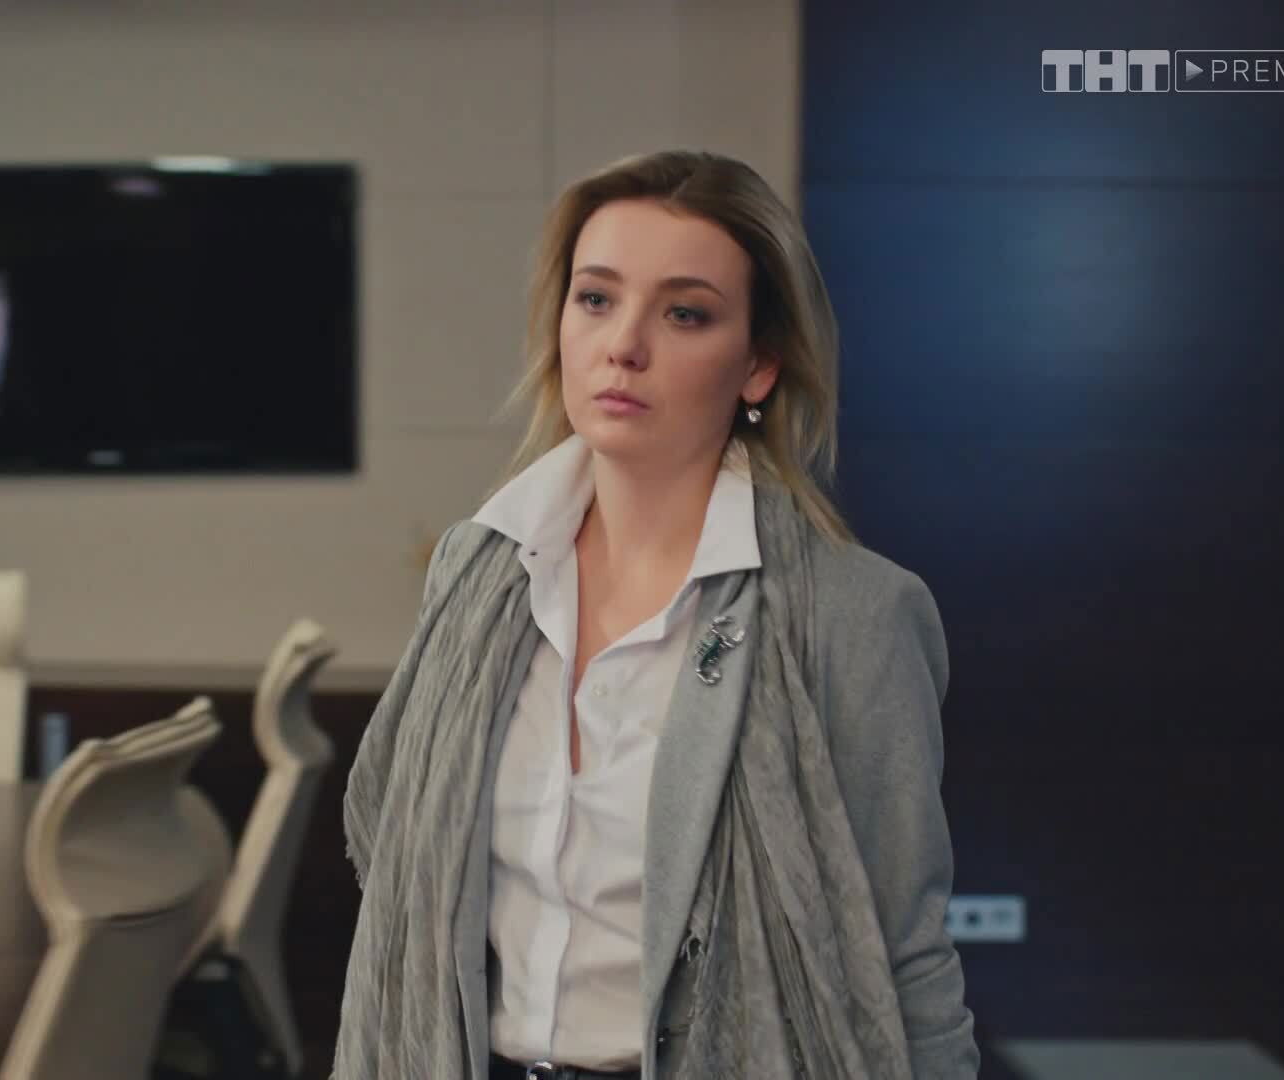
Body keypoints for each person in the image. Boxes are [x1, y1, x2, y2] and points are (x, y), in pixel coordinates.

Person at [336, 150, 978, 1080]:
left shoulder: (855, 617)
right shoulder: (477, 572)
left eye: (685, 314)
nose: (623, 345)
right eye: (596, 298)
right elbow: (393, 865)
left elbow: (906, 957)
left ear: (758, 365)